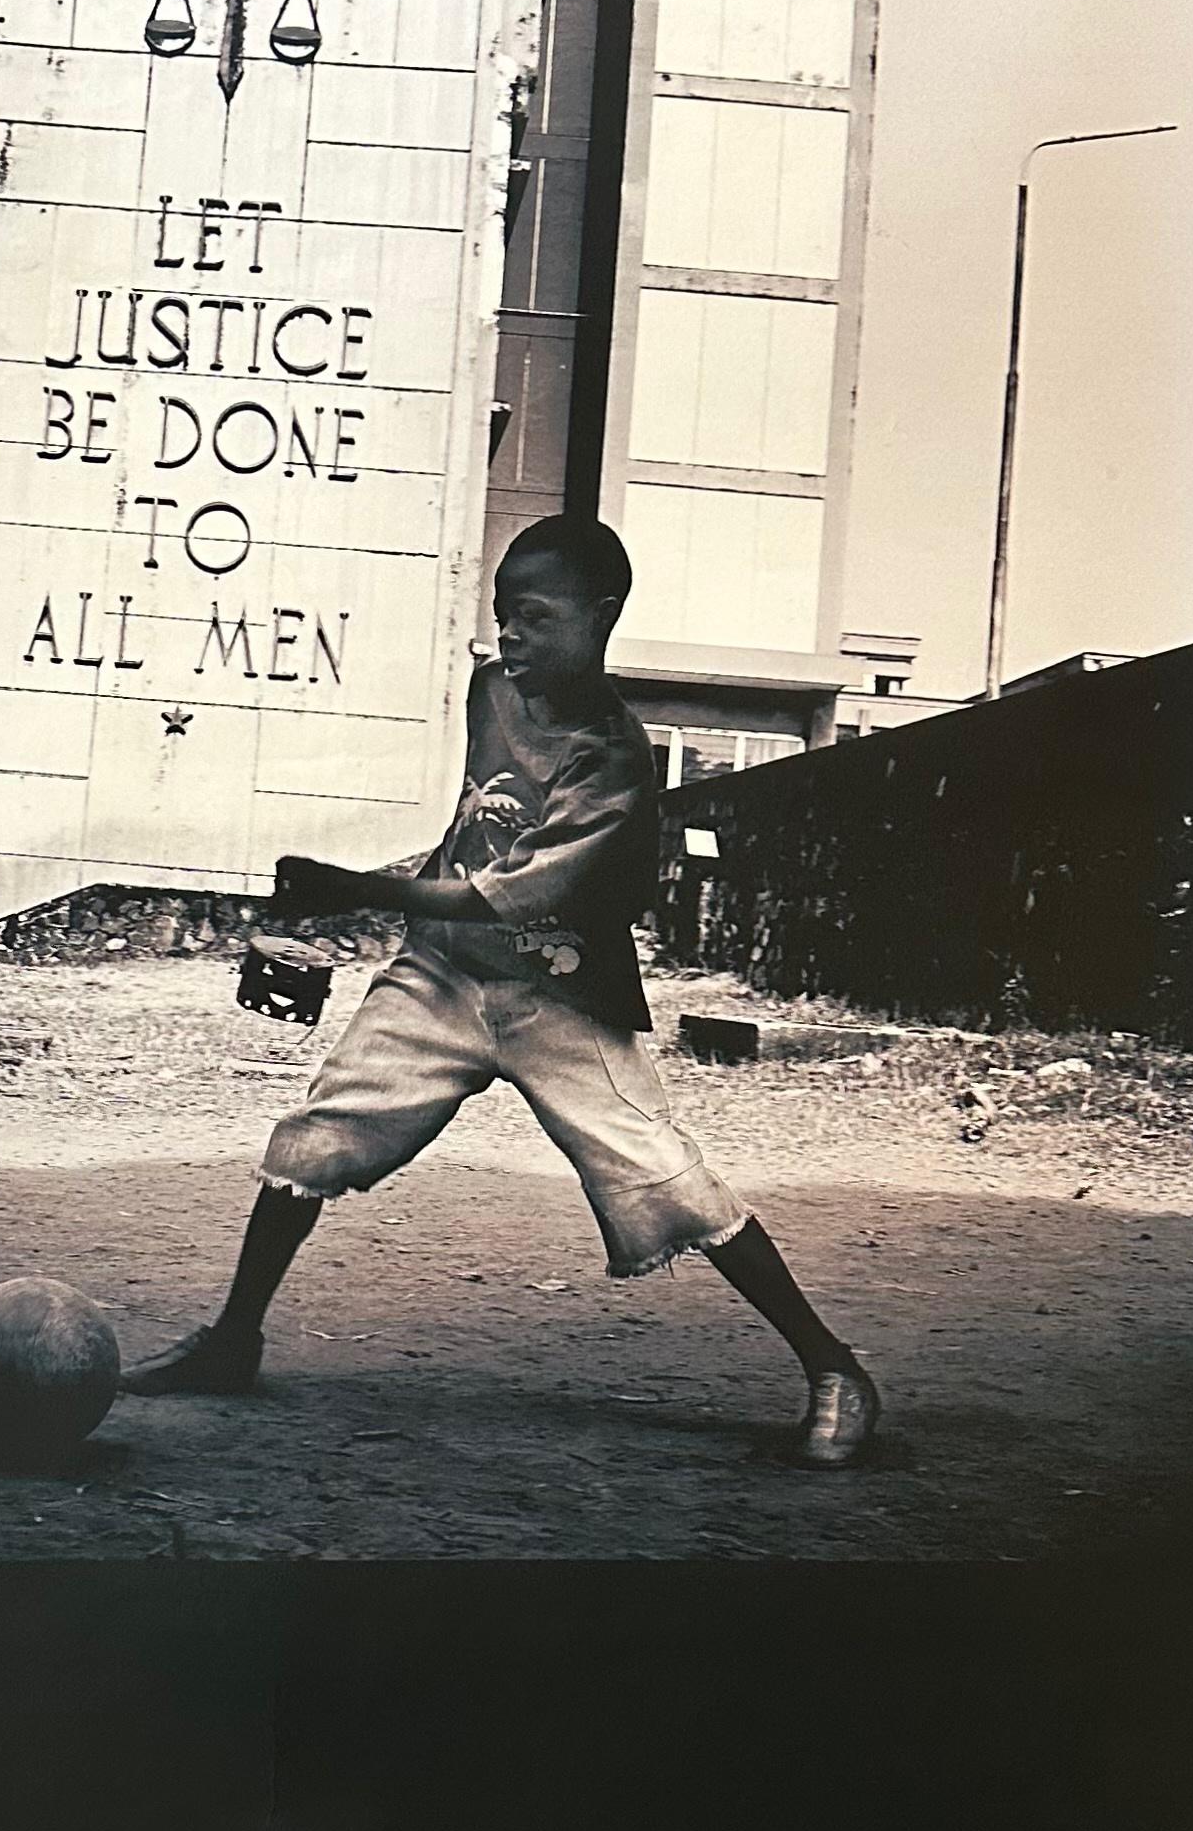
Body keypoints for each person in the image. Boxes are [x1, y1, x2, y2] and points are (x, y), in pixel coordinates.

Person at [124, 513, 878, 1465]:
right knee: (313, 1138)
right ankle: (234, 1340)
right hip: (439, 973)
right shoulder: (493, 691)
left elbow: (506, 893)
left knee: (668, 1180)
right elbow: (470, 835)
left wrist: (354, 888)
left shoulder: (615, 763)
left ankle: (836, 1366)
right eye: (499, 615)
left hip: (557, 1002)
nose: (508, 635)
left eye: (532, 615)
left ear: (600, 620)